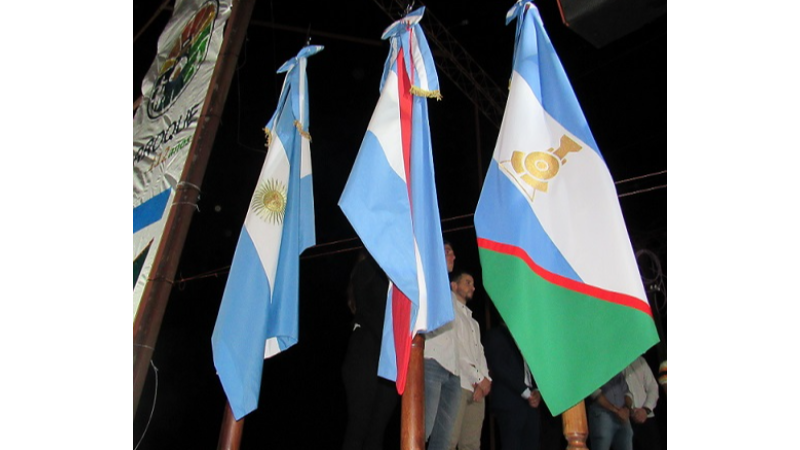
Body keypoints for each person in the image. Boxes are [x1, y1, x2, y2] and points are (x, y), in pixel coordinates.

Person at [341, 251, 399, 450]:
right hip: (365, 353)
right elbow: (371, 311)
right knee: (359, 426)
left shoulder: (393, 274)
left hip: (389, 360)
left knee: (377, 431)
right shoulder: (366, 269)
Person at [423, 241, 462, 450]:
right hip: (432, 361)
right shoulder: (428, 281)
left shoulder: (451, 295)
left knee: (443, 439)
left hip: (453, 370)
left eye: (453, 252)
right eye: (448, 251)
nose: (453, 256)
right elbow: (423, 323)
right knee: (422, 431)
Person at [448, 270, 491, 450]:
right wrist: (479, 379)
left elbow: (479, 353)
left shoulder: (473, 322)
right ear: (454, 285)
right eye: (467, 282)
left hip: (476, 390)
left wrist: (485, 380)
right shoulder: (450, 313)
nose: (472, 287)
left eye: (473, 284)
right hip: (458, 384)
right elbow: (457, 350)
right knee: (449, 441)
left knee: (471, 445)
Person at [484, 321, 542, 450]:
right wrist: (526, 392)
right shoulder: (495, 335)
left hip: (531, 404)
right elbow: (501, 367)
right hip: (510, 402)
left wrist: (537, 390)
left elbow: (534, 366)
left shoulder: (525, 337)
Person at [623, 356, 661, 450]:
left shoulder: (640, 361)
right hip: (625, 421)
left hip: (647, 417)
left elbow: (653, 387)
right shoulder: (614, 367)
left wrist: (646, 409)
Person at [588, 372, 633, 450]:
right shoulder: (592, 369)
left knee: (627, 441)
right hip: (602, 413)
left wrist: (627, 409)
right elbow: (594, 392)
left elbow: (627, 392)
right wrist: (615, 410)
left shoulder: (616, 370)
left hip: (623, 414)